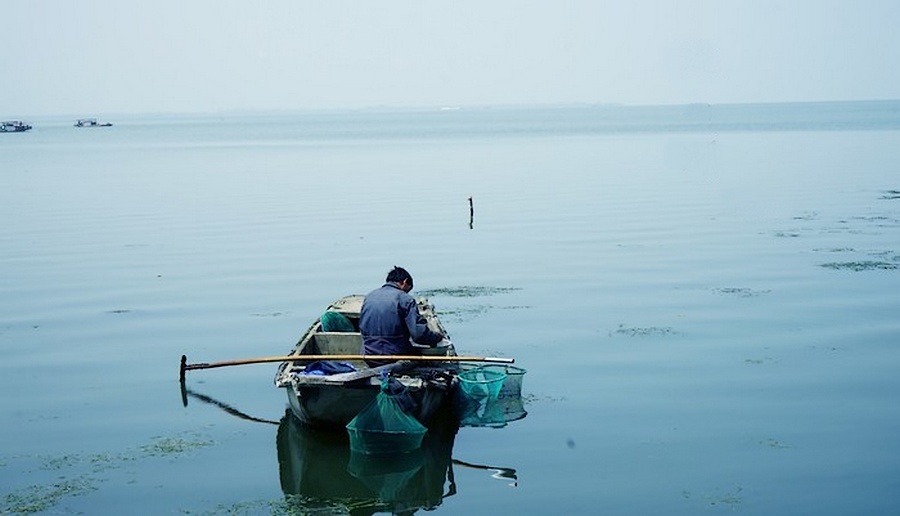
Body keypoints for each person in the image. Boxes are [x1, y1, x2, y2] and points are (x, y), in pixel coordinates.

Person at [359, 266, 444, 365]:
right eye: (408, 290)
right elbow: (419, 335)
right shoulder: (405, 299)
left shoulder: (370, 296)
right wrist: (436, 337)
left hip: (368, 354)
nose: (406, 293)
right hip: (395, 355)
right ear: (405, 282)